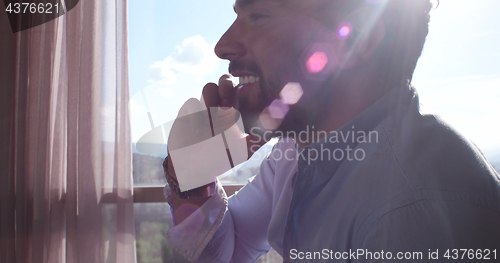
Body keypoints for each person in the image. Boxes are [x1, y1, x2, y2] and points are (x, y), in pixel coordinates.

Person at [163, 0, 500, 262]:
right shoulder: (300, 151)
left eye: (259, 15)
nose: (222, 46)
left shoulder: (409, 213)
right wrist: (191, 177)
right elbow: (230, 252)